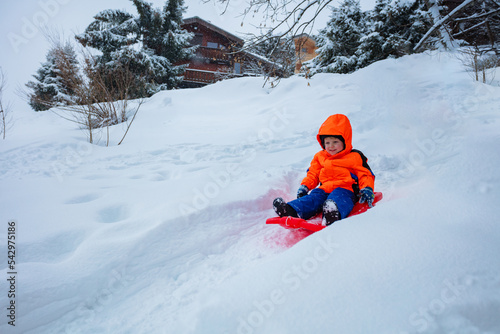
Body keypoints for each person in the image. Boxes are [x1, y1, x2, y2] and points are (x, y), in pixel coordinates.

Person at [273, 114, 375, 226]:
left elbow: (365, 174)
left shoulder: (354, 156)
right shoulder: (320, 156)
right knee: (313, 197)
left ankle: (333, 213)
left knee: (339, 198)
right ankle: (291, 210)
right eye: (327, 143)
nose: (331, 146)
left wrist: (367, 188)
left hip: (345, 189)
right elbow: (313, 173)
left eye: (335, 142)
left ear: (345, 141)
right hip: (324, 189)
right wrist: (305, 186)